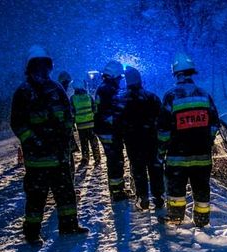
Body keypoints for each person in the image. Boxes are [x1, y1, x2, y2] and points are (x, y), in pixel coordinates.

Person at [11, 45, 88, 245]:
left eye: (45, 66)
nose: (42, 71)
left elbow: (69, 114)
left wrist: (64, 135)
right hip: (37, 160)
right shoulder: (23, 92)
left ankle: (69, 226)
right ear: (30, 69)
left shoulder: (56, 89)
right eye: (38, 67)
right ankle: (32, 233)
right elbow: (18, 123)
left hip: (59, 155)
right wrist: (34, 141)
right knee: (37, 197)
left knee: (65, 193)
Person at [157, 53, 220, 227]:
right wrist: (208, 141)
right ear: (192, 73)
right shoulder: (204, 95)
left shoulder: (171, 96)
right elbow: (215, 123)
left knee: (176, 190)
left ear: (176, 74)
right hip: (202, 155)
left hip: (178, 156)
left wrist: (161, 152)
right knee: (201, 188)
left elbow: (164, 130)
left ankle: (176, 218)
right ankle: (201, 220)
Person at [120, 66, 164, 210]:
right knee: (155, 168)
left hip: (133, 142)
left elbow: (117, 122)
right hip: (151, 140)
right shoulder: (151, 97)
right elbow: (162, 118)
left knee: (138, 169)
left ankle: (142, 196)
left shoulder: (122, 100)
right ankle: (158, 197)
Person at [94, 60, 128, 202]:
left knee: (115, 159)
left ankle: (117, 188)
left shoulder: (103, 88)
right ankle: (116, 191)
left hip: (104, 130)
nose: (120, 80)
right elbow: (113, 112)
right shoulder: (108, 89)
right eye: (119, 77)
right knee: (115, 160)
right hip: (109, 131)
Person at [70, 80, 101, 165]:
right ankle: (97, 157)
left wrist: (72, 125)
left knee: (84, 142)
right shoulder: (88, 96)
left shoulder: (73, 98)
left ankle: (85, 157)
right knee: (93, 141)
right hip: (91, 123)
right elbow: (95, 109)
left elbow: (71, 112)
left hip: (80, 125)